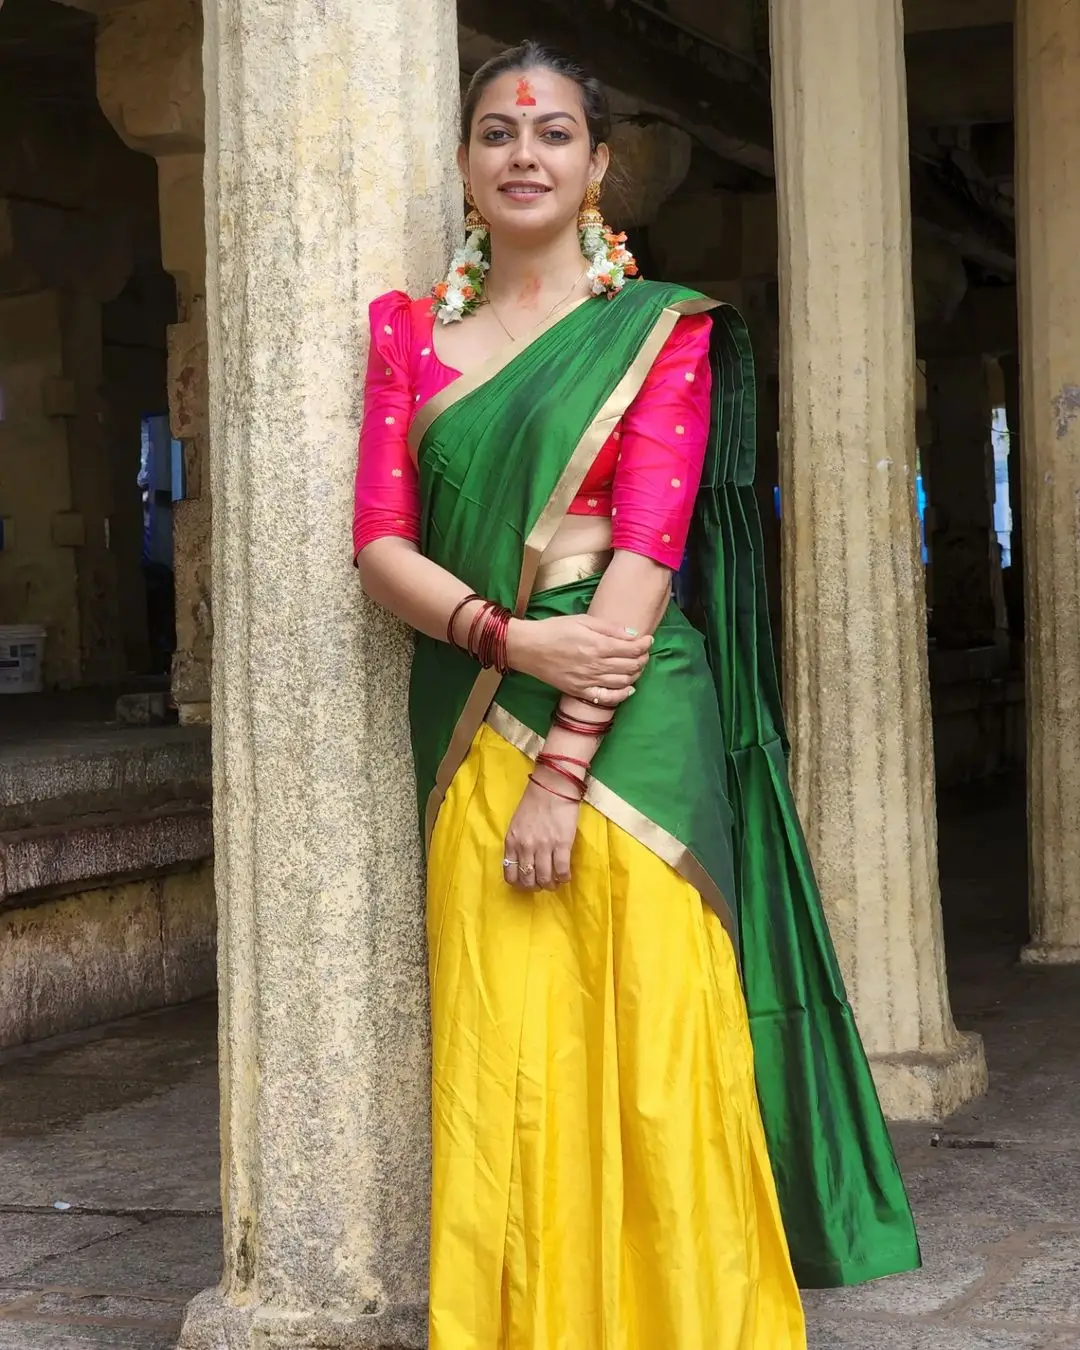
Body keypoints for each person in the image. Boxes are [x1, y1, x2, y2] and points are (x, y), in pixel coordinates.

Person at [354, 41, 920, 1350]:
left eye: (555, 133)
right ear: (463, 164)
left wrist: (562, 762)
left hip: (632, 721)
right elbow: (381, 542)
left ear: (597, 166)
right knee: (506, 1054)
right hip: (472, 711)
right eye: (498, 132)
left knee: (663, 1047)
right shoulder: (408, 338)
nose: (525, 154)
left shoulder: (657, 330)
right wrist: (506, 638)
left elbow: (651, 551)